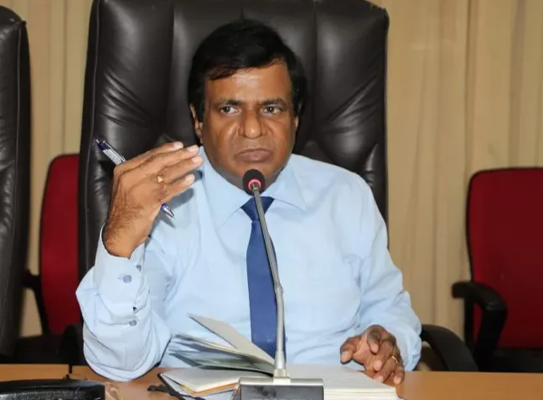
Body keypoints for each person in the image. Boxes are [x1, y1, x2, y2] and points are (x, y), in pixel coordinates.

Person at [76, 18, 421, 383]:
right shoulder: (162, 205)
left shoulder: (346, 196)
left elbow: (391, 310)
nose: (253, 129)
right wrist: (120, 244)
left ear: (295, 117)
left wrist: (387, 344)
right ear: (198, 120)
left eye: (271, 108)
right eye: (229, 108)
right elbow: (122, 363)